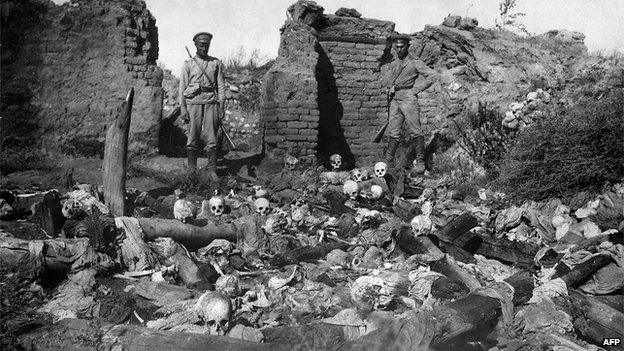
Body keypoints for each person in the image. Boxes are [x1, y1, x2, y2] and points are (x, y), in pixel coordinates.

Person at [382, 34, 437, 173]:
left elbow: (432, 76)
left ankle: (420, 163)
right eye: (397, 47)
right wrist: (390, 88)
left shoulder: (414, 62)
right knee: (393, 131)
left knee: (415, 130)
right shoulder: (394, 62)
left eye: (402, 47)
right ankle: (388, 162)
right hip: (395, 97)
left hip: (408, 97)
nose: (399, 50)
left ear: (408, 46)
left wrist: (416, 89)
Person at [179, 32, 226, 180]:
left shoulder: (215, 63)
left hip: (211, 102)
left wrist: (222, 105)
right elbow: (182, 88)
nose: (204, 48)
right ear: (196, 45)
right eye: (201, 45)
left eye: (207, 45)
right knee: (192, 136)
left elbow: (221, 86)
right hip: (193, 103)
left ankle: (212, 170)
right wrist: (183, 108)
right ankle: (191, 170)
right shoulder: (188, 64)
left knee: (212, 137)